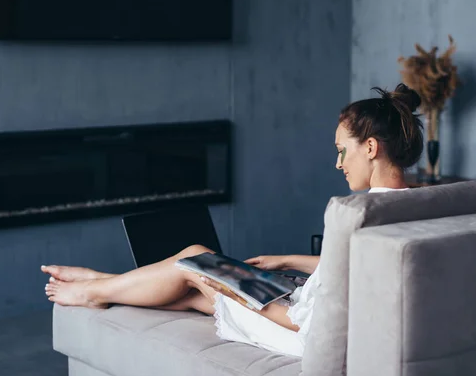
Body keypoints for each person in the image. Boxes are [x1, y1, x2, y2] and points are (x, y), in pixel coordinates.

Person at [42, 83, 423, 357]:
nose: (338, 163)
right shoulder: (416, 203)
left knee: (194, 261)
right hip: (301, 302)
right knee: (193, 292)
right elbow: (356, 270)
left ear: (371, 147)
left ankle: (93, 289)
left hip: (297, 330)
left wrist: (235, 292)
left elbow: (313, 323)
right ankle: (104, 282)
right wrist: (287, 261)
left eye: (343, 151)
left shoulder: (357, 216)